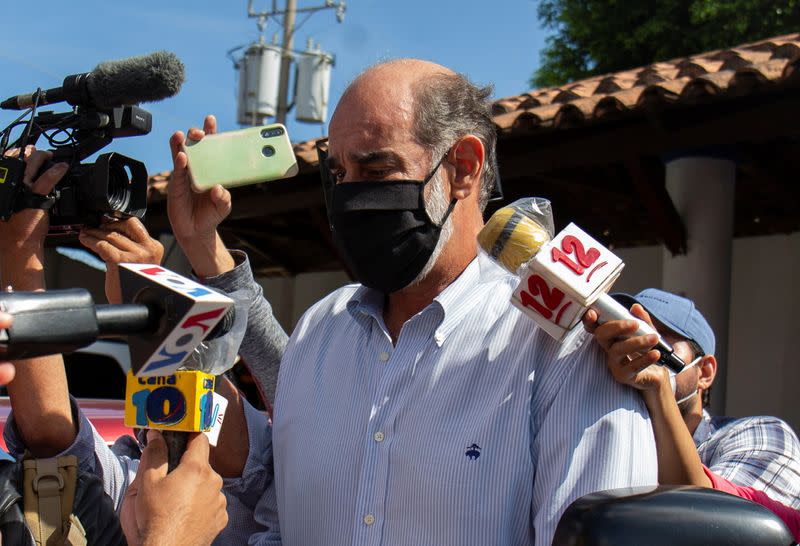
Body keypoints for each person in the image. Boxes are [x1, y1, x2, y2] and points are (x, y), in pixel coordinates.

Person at [167, 59, 659, 546]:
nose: (351, 196)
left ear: (463, 167)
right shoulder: (319, 330)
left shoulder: (562, 345)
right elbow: (280, 528)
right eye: (340, 173)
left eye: (377, 167)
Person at [0, 145, 231, 545]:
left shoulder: (143, 504)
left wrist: (171, 530)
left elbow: (53, 444)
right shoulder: (133, 498)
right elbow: (53, 442)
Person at [586, 288, 800, 537]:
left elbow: (721, 524)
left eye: (658, 339)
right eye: (626, 336)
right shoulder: (610, 438)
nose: (635, 350)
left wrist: (658, 387)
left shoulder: (761, 434)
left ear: (705, 372)